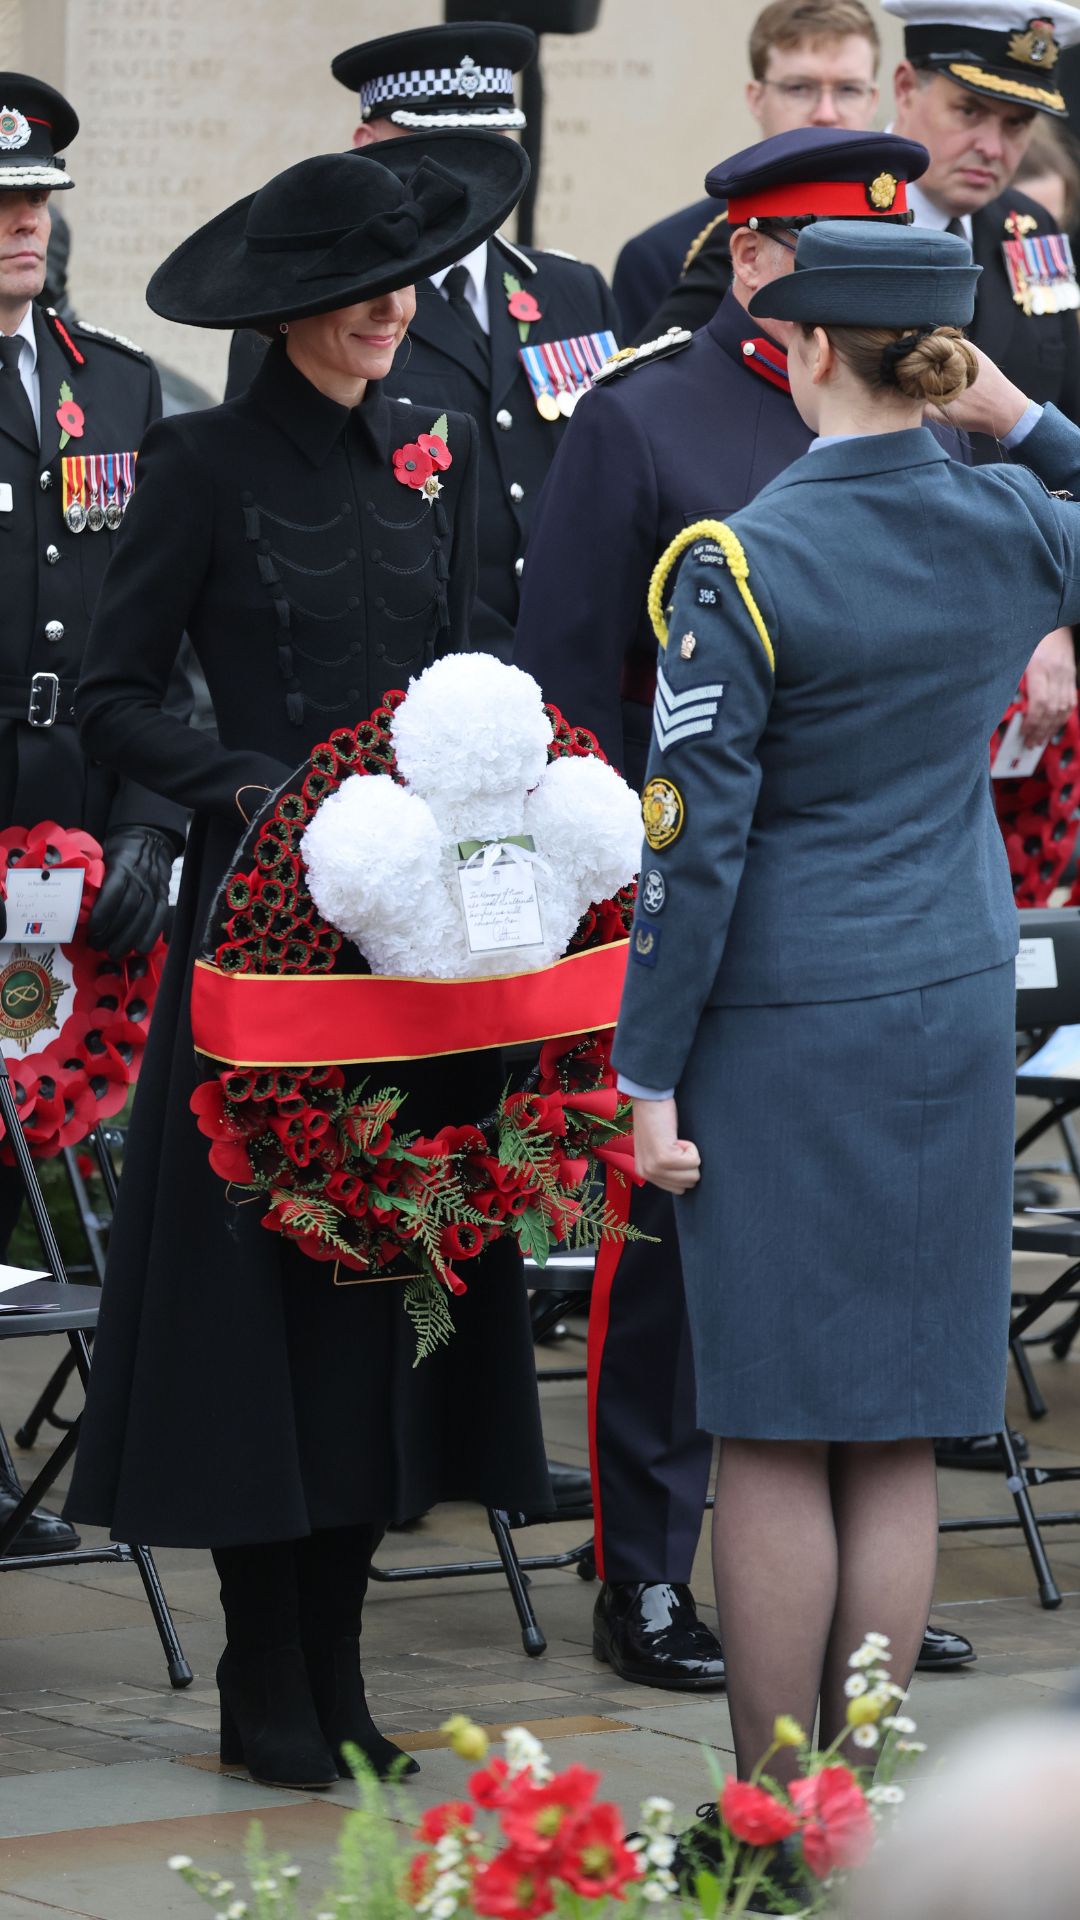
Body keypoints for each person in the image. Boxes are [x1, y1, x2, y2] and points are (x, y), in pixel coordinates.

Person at [62, 135, 552, 1791]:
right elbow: (116, 698)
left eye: (401, 283)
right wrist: (247, 794)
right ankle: (259, 1676)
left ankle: (338, 1676)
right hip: (264, 944)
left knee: (377, 1293)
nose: (388, 311)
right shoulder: (197, 461)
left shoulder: (442, 449)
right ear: (284, 309)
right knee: (259, 1300)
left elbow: (481, 672)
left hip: (414, 949)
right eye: (356, 289)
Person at [611, 214, 1080, 1849]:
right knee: (895, 1429)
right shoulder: (1014, 522)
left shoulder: (746, 561)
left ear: (804, 349)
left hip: (781, 1023)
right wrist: (1021, 418)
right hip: (951, 1004)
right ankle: (856, 1822)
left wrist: (645, 1069)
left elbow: (692, 851)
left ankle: (770, 1828)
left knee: (767, 1428)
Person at [516, 125, 975, 1681]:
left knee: (865, 1277)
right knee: (672, 1269)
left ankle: (853, 1597)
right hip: (685, 908)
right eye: (840, 256)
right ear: (756, 259)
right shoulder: (644, 418)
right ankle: (647, 1569)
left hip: (858, 941)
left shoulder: (909, 418)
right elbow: (570, 693)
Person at [0, 74, 185, 1558]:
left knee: (50, 1137)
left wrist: (149, 819)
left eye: (35, 199)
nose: (23, 224)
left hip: (83, 826)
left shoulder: (110, 385)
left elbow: (159, 634)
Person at [226, 23, 621, 662]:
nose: (472, 169)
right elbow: (282, 523)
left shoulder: (573, 291)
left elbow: (609, 485)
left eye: (492, 142)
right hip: (411, 673)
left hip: (577, 660)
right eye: (440, 145)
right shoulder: (314, 316)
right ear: (367, 147)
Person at [613, 0, 881, 342]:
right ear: (756, 98)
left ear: (873, 100)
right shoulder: (660, 255)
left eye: (848, 90)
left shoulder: (908, 239)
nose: (826, 113)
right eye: (799, 88)